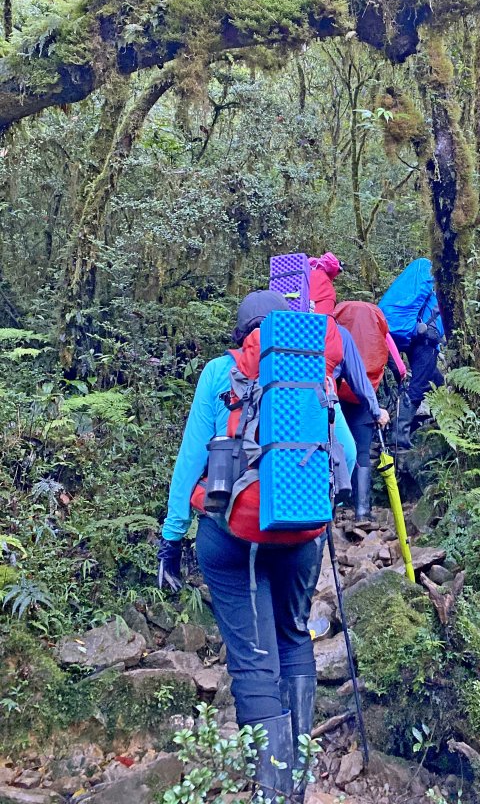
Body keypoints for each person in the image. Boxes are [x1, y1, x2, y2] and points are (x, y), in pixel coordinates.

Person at [156, 290, 340, 800]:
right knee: (293, 636)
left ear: (242, 333)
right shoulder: (314, 372)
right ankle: (296, 784)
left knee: (255, 659)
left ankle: (272, 792)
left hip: (233, 534)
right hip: (304, 533)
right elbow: (342, 452)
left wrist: (171, 539)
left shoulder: (221, 372)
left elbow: (189, 461)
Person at [334, 300, 406, 520]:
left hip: (336, 394)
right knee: (362, 451)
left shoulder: (335, 329)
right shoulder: (378, 327)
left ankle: (334, 507)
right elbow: (397, 363)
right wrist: (400, 378)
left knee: (334, 447)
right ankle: (362, 510)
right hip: (365, 397)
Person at [378, 258, 445, 449]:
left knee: (437, 382)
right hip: (426, 339)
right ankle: (399, 436)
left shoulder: (424, 283)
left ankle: (434, 424)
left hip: (413, 336)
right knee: (420, 384)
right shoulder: (437, 285)